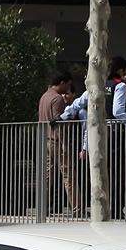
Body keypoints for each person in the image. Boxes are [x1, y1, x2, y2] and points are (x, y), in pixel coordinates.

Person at [38, 71, 77, 212]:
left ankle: (42, 207)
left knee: (47, 176)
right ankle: (77, 209)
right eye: (68, 85)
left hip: (45, 139)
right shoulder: (57, 99)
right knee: (68, 175)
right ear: (62, 83)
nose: (68, 88)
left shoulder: (44, 97)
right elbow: (58, 122)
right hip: (57, 140)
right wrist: (65, 144)